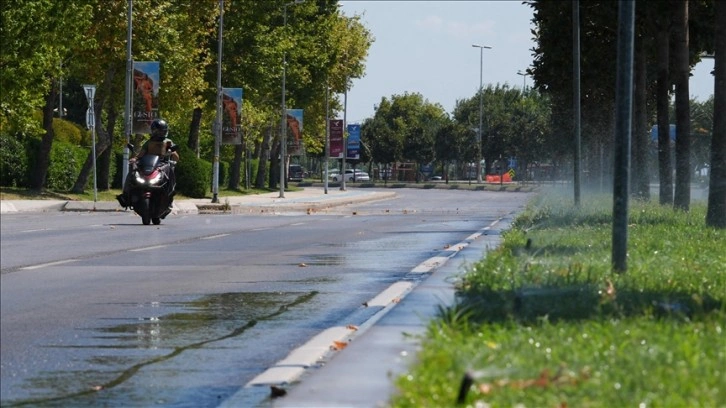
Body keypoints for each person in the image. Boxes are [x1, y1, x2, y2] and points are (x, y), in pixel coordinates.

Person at [117, 118, 179, 208]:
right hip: (149, 165)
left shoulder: (168, 142)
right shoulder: (148, 142)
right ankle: (126, 195)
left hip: (162, 164)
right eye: (158, 131)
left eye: (162, 131)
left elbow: (176, 157)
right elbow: (140, 155)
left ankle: (170, 193)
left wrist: (172, 153)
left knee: (170, 170)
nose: (160, 133)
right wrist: (135, 159)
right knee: (133, 171)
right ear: (153, 131)